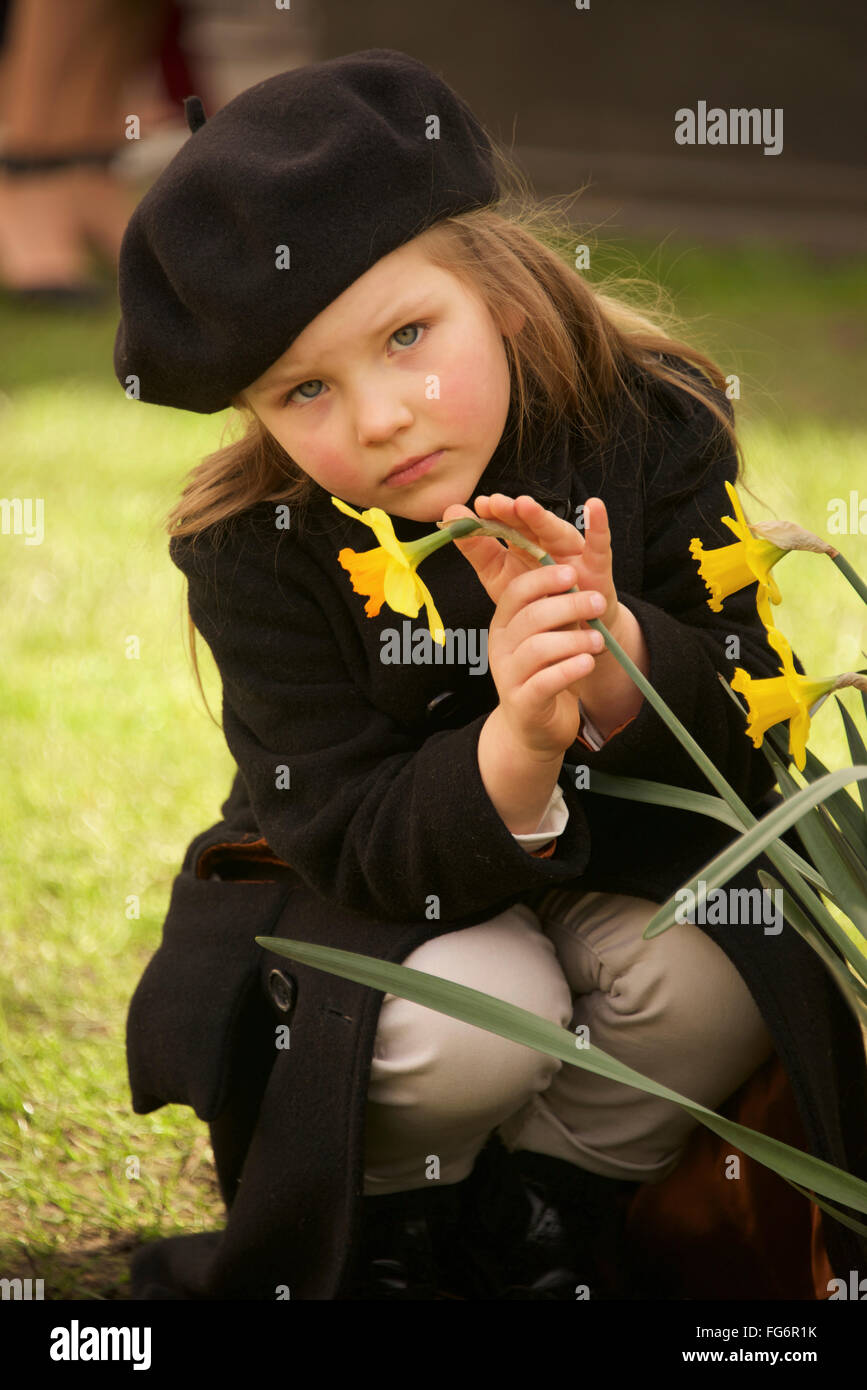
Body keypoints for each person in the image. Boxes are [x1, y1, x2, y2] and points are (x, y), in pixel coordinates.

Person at [115, 49, 867, 1301]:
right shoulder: (255, 540)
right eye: (305, 388)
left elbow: (748, 718)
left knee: (713, 973)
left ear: (503, 290)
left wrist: (616, 662)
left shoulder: (654, 419)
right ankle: (394, 1217)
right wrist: (513, 747)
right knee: (475, 1006)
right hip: (376, 901)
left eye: (409, 334)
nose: (381, 418)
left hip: (629, 869)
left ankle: (546, 1217)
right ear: (253, 411)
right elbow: (338, 824)